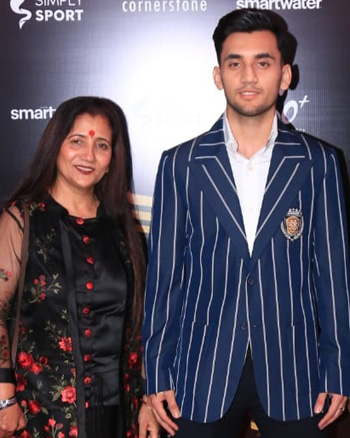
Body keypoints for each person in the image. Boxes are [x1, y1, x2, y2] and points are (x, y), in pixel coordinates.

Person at [142, 8, 350, 438]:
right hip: (201, 370)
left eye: (263, 62)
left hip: (297, 374)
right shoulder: (180, 164)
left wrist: (340, 368)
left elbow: (334, 277)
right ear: (218, 75)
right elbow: (165, 278)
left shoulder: (319, 163)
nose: (249, 76)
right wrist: (155, 371)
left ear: (285, 75)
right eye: (235, 63)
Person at [0, 96, 159, 438]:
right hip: (41, 413)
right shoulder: (22, 221)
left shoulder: (122, 229)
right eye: (77, 141)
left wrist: (148, 399)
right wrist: (4, 398)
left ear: (111, 159)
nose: (88, 155)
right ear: (55, 146)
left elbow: (142, 321)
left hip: (120, 413)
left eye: (101, 145)